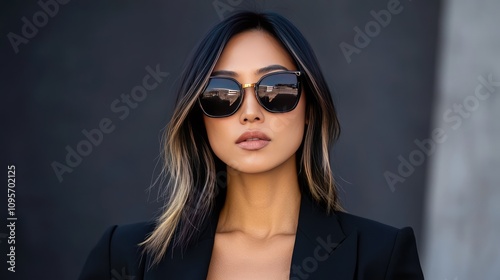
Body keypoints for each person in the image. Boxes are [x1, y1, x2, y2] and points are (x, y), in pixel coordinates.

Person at [79, 11, 424, 280]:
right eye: (221, 93)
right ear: (199, 117)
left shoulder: (380, 259)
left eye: (276, 87)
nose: (249, 113)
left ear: (310, 108)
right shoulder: (125, 258)